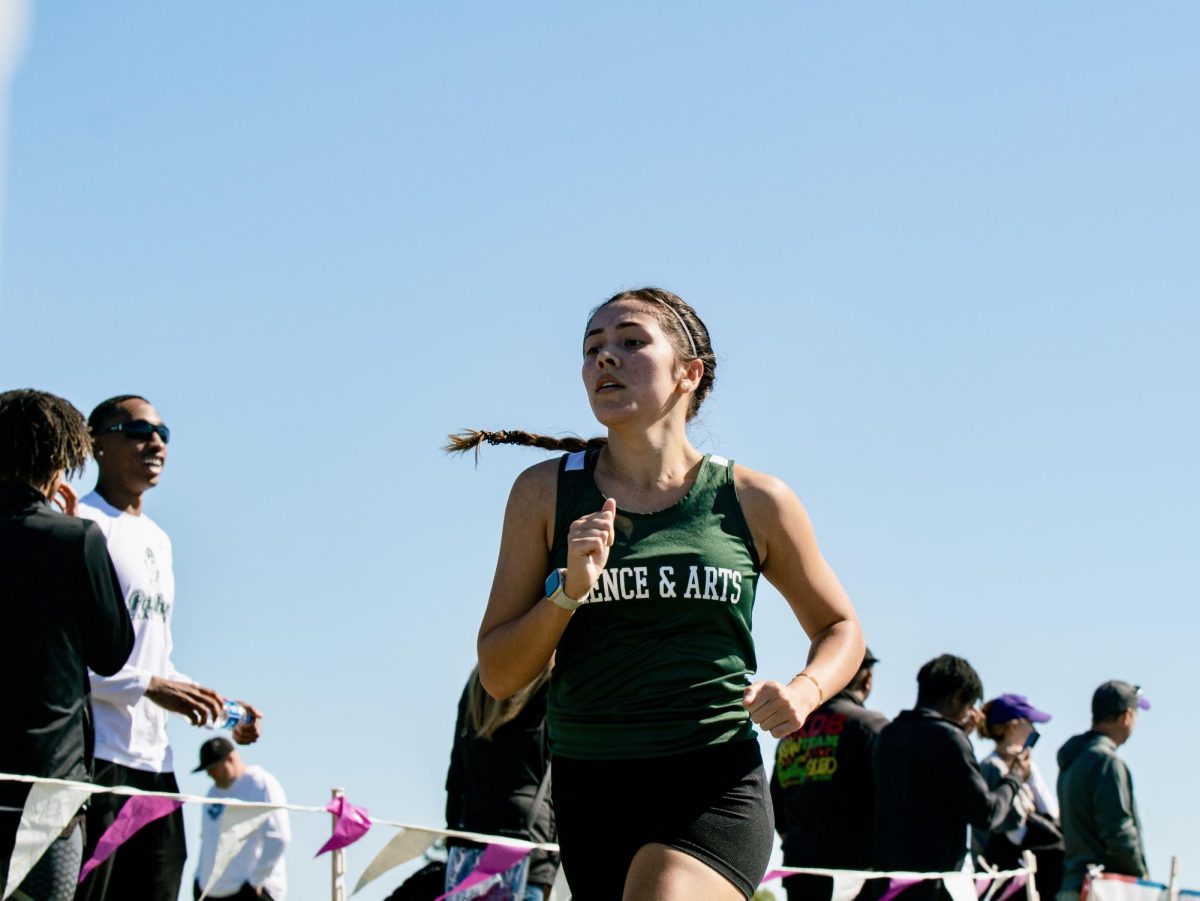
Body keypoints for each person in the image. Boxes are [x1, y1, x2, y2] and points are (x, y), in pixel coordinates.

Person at [451, 287, 865, 901]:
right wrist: (567, 593)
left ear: (688, 373)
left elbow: (840, 627)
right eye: (592, 349)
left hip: (713, 778)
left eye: (631, 342)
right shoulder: (543, 495)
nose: (605, 359)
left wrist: (804, 691)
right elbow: (500, 675)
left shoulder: (755, 499)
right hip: (591, 788)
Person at [75, 395, 263, 901]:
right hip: (97, 759)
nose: (155, 441)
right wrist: (148, 685)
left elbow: (158, 662)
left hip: (155, 764)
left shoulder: (159, 539)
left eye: (163, 432)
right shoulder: (80, 525)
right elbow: (64, 655)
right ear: (98, 443)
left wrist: (223, 711)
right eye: (136, 430)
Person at [0, 389, 135, 900]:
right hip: (47, 785)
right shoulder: (76, 538)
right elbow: (111, 652)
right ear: (62, 461)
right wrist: (84, 531)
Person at [872, 654, 1030, 901]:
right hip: (932, 886)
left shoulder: (889, 735)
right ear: (957, 697)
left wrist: (960, 735)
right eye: (968, 705)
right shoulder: (949, 739)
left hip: (887, 885)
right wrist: (1015, 778)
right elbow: (985, 813)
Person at [770, 648, 888, 901]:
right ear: (867, 680)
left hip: (799, 869)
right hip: (854, 878)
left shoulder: (792, 732)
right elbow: (893, 803)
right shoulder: (871, 727)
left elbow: (774, 808)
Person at [444, 665, 557, 900]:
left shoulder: (479, 683)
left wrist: (455, 843)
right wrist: (551, 862)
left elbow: (456, 781)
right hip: (531, 845)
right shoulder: (551, 685)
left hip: (474, 842)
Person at [1056, 681, 1150, 900]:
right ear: (1127, 715)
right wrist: (1141, 877)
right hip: (1102, 890)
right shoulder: (1106, 762)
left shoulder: (1073, 760)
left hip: (1072, 886)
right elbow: (1118, 831)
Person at [973, 694, 1063, 898]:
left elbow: (1052, 814)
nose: (1033, 730)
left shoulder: (1025, 769)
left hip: (1023, 879)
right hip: (1000, 880)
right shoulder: (992, 768)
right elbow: (1015, 833)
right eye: (1029, 724)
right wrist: (1015, 777)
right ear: (1013, 726)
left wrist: (1031, 775)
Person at [193, 738, 290, 901]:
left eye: (212, 767)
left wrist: (255, 881)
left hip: (249, 892)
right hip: (211, 894)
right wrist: (198, 879)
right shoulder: (212, 793)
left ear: (231, 759)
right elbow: (207, 840)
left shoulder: (260, 784)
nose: (209, 774)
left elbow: (278, 837)